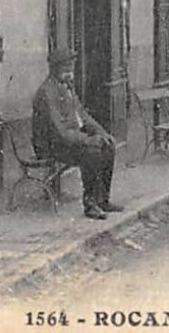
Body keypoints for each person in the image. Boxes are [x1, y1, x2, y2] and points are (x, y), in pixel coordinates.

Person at [32, 47, 122, 220]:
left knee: (108, 146)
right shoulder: (46, 93)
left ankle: (102, 199)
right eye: (66, 69)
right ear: (55, 69)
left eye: (71, 69)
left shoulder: (67, 87)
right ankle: (90, 205)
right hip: (51, 146)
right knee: (92, 152)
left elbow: (83, 115)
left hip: (69, 141)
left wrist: (102, 133)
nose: (70, 73)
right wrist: (88, 140)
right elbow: (60, 132)